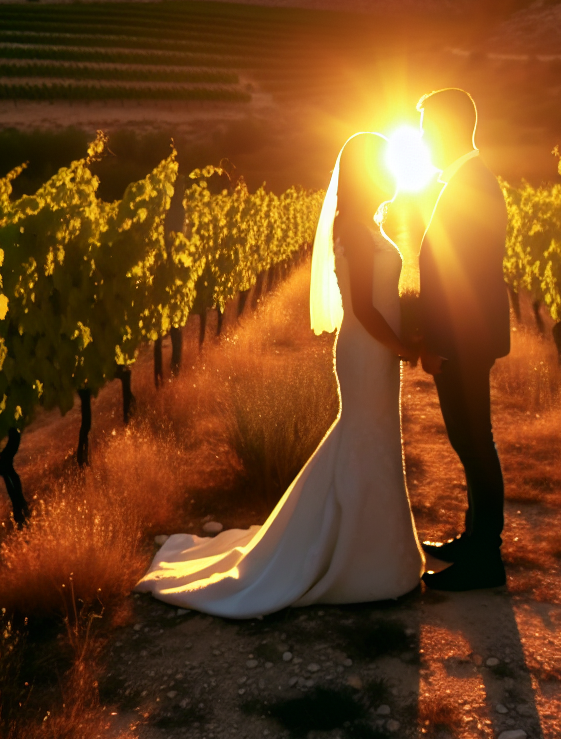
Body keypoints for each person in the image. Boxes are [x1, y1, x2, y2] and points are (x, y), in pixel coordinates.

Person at [135, 132, 424, 617]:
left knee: (369, 439)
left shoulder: (367, 225)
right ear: (366, 173)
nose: (392, 174)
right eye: (384, 165)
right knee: (363, 438)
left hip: (377, 352)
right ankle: (360, 562)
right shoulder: (353, 227)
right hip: (366, 350)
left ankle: (373, 553)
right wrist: (404, 347)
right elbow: (364, 309)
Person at [417, 88, 510, 591]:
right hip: (466, 336)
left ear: (450, 127)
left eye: (428, 127)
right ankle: (474, 540)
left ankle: (486, 560)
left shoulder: (471, 184)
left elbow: (460, 277)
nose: (424, 138)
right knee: (469, 442)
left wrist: (439, 342)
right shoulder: (466, 180)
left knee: (475, 443)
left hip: (464, 339)